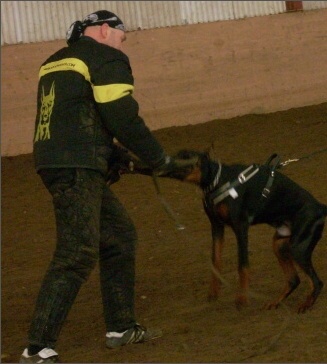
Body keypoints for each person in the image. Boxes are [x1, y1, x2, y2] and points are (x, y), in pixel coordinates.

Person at [20, 10, 177, 363]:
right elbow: (121, 115)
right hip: (77, 165)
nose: (124, 43)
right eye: (123, 36)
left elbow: (73, 117)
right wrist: (158, 159)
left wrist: (112, 156)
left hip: (56, 159)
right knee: (76, 252)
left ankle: (121, 328)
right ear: (106, 29)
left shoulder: (55, 61)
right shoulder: (106, 56)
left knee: (118, 236)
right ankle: (36, 349)